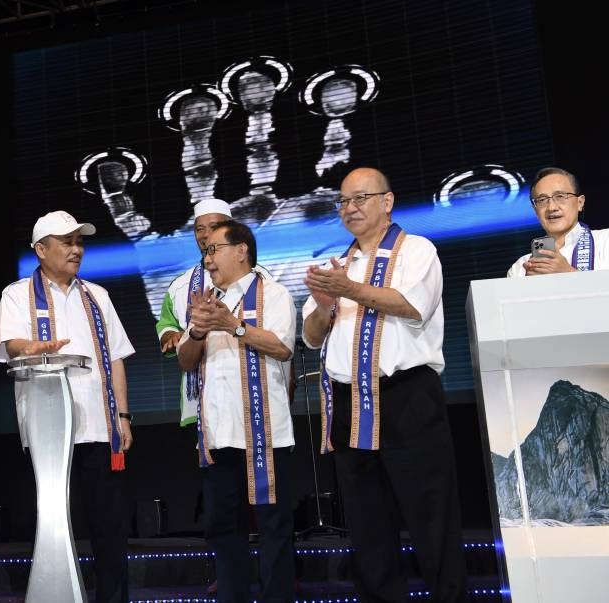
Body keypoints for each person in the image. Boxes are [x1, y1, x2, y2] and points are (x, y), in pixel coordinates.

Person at [301, 167, 467, 603]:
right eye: (342, 202)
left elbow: (414, 305)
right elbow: (312, 336)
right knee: (367, 526)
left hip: (405, 396)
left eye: (359, 199)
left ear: (387, 202)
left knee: (432, 517)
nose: (349, 208)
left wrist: (349, 289)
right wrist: (323, 307)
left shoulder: (417, 250)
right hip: (347, 401)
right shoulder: (337, 263)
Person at [0, 210, 134, 603]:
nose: (76, 250)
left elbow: (117, 357)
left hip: (98, 425)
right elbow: (10, 346)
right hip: (48, 431)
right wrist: (31, 348)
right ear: (41, 250)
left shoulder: (98, 296)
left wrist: (123, 416)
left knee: (110, 528)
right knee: (55, 523)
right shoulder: (17, 294)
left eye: (79, 242)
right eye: (66, 242)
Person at [176, 220, 297, 603]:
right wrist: (197, 331)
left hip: (266, 434)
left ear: (241, 250)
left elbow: (282, 348)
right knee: (221, 529)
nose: (207, 259)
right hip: (217, 435)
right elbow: (185, 361)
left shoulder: (274, 293)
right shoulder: (204, 300)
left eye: (214, 249)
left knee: (274, 529)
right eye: (205, 252)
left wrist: (232, 325)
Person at [156, 198, 233, 425]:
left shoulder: (258, 278)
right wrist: (170, 335)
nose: (206, 234)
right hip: (201, 401)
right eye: (199, 229)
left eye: (214, 227)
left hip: (249, 393)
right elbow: (167, 323)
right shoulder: (180, 285)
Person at [507, 166, 609, 276]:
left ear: (580, 203)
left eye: (560, 196)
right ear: (535, 210)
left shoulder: (605, 241)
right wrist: (528, 286)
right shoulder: (519, 269)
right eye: (542, 200)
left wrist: (569, 273)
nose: (551, 207)